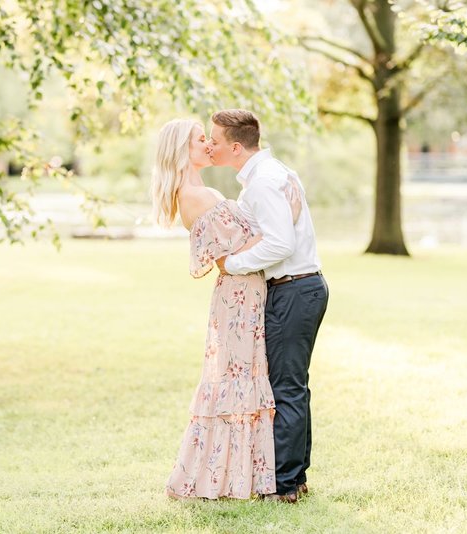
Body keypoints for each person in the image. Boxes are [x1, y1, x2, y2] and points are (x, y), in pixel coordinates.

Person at [151, 118, 298, 500]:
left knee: (242, 379)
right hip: (237, 296)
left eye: (208, 139)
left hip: (245, 292)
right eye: (201, 140)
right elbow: (245, 243)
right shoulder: (197, 195)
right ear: (184, 149)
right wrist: (288, 211)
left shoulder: (204, 191)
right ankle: (219, 478)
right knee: (236, 382)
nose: (208, 145)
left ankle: (240, 475)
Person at [210, 109, 329, 503]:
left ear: (236, 147)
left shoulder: (264, 181)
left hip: (294, 289)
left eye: (215, 139)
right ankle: (296, 477)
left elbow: (280, 244)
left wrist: (231, 265)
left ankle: (284, 484)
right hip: (298, 289)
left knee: (286, 389)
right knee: (293, 386)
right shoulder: (271, 174)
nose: (210, 144)